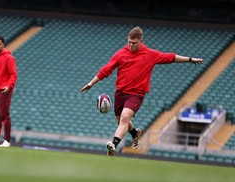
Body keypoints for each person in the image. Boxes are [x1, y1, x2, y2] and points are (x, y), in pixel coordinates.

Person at [80, 26, 203, 156]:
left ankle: (113, 145)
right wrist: (91, 83)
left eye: (133, 43)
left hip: (136, 94)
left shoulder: (150, 54)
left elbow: (170, 57)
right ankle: (135, 133)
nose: (130, 45)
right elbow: (106, 70)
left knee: (124, 118)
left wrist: (189, 59)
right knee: (121, 121)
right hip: (120, 92)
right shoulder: (120, 53)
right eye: (129, 42)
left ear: (141, 41)